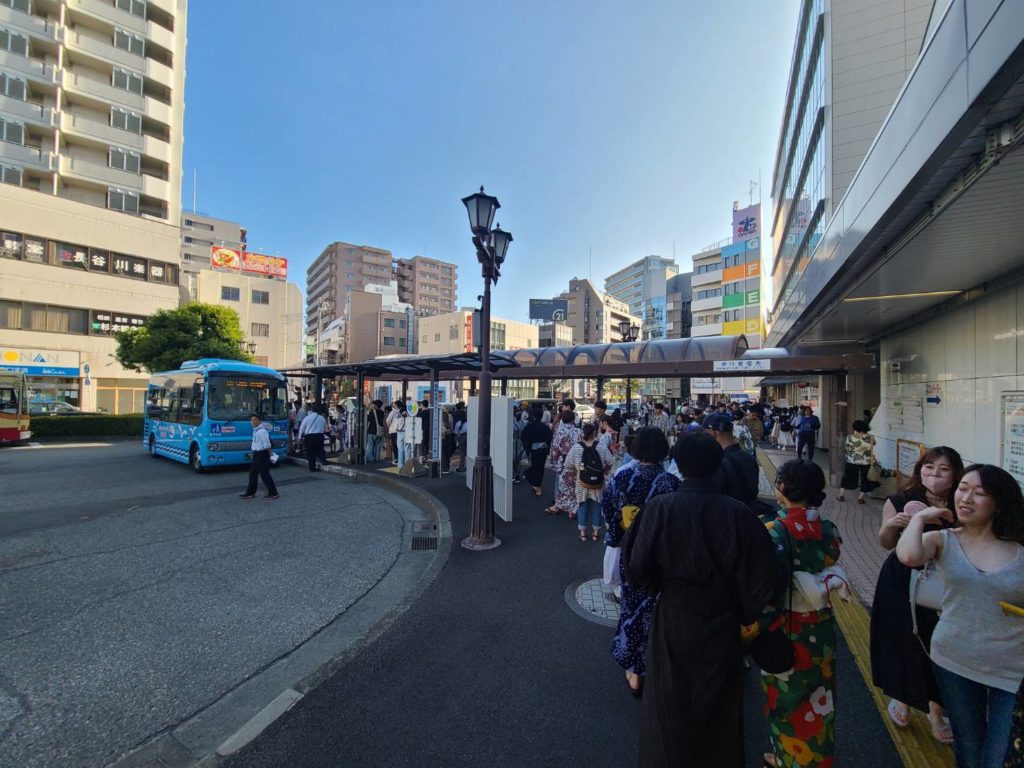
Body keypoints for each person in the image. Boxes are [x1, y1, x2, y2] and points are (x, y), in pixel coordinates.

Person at [627, 432, 779, 768]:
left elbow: (636, 567)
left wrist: (660, 585)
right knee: (719, 706)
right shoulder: (739, 514)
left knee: (668, 701)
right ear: (717, 463)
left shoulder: (660, 509)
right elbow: (762, 579)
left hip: (673, 614)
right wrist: (743, 612)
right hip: (722, 619)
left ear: (678, 463)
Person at [897, 464, 1024, 768]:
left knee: (1001, 755)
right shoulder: (944, 540)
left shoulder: (1019, 548)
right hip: (953, 660)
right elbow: (909, 556)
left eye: (979, 492)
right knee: (969, 745)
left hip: (1012, 670)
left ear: (999, 502)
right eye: (963, 489)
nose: (965, 498)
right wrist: (919, 518)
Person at [870, 446, 963, 743]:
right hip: (901, 580)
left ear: (956, 474)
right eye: (929, 467)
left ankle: (936, 710)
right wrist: (891, 525)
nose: (934, 475)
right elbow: (886, 543)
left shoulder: (961, 503)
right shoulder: (901, 500)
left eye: (943, 469)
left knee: (938, 644)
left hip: (944, 583)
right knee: (903, 639)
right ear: (920, 469)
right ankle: (903, 698)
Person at [758, 459, 842, 768]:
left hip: (787, 626)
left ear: (782, 487)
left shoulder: (775, 530)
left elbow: (768, 584)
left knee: (786, 700)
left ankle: (786, 758)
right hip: (821, 626)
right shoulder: (827, 528)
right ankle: (819, 758)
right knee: (820, 699)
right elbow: (831, 557)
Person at [603, 427, 681, 697]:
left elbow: (609, 508)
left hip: (631, 552)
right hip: (661, 555)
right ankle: (660, 661)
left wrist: (617, 534)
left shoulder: (623, 477)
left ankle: (634, 669)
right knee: (659, 608)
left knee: (632, 606)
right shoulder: (670, 483)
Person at [563, 422, 613, 541]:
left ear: (583, 433)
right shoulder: (601, 446)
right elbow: (610, 461)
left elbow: (568, 464)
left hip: (581, 484)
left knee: (582, 507)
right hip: (598, 484)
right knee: (597, 507)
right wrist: (605, 471)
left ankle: (583, 534)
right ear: (594, 433)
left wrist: (578, 470)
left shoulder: (576, 447)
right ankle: (595, 534)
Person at [704, 414, 759, 506]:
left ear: (712, 433)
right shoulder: (749, 458)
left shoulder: (719, 462)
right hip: (749, 510)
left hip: (727, 512)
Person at [546, 410, 581, 516]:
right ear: (573, 420)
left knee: (563, 486)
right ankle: (572, 510)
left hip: (564, 462)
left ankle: (558, 506)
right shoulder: (578, 431)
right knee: (575, 486)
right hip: (576, 462)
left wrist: (556, 464)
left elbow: (555, 449)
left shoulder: (559, 431)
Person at [240, 413, 279, 500]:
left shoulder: (262, 431)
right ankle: (250, 493)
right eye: (251, 420)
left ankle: (273, 493)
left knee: (264, 474)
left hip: (262, 454)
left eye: (255, 420)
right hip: (256, 454)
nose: (253, 422)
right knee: (253, 474)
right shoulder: (256, 430)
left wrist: (271, 454)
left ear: (259, 421)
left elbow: (267, 444)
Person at [836, 420, 876, 503]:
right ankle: (860, 498)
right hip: (866, 462)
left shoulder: (850, 437)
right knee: (864, 479)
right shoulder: (871, 437)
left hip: (852, 461)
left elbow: (847, 448)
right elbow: (873, 446)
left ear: (855, 428)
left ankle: (841, 495)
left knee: (846, 477)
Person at [520, 406, 553, 496]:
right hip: (543, 450)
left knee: (535, 467)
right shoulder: (545, 427)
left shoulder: (529, 426)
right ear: (542, 416)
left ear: (533, 416)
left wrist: (527, 449)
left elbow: (523, 437)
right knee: (540, 468)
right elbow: (550, 438)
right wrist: (547, 449)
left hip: (534, 450)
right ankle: (537, 485)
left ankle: (537, 486)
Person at [297, 403, 327, 472]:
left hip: (310, 437)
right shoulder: (322, 418)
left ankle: (312, 467)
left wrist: (300, 437)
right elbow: (325, 428)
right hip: (320, 435)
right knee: (320, 449)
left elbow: (302, 428)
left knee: (310, 452)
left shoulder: (307, 418)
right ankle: (323, 460)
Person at [392, 403, 410, 468]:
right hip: (407, 433)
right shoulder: (409, 416)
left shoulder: (398, 416)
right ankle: (407, 464)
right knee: (407, 449)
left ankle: (400, 464)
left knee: (400, 449)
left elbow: (395, 424)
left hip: (400, 433)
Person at [453, 402, 468, 471]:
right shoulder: (468, 422)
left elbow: (455, 431)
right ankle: (467, 466)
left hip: (461, 437)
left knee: (462, 453)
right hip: (468, 436)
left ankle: (461, 467)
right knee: (468, 452)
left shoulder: (458, 422)